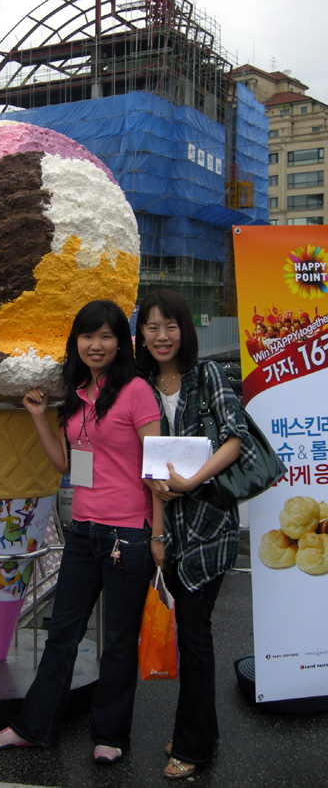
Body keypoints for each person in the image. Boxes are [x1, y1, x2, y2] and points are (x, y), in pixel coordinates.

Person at [0, 300, 164, 764]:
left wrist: (159, 534)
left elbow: (156, 467)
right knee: (61, 633)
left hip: (128, 534)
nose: (96, 345)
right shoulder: (78, 392)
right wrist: (38, 417)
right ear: (76, 342)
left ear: (121, 343)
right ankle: (33, 727)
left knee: (118, 641)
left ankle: (111, 735)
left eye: (106, 336)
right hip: (83, 530)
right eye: (87, 336)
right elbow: (67, 465)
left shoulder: (137, 392)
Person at [135, 289, 253, 780]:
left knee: (195, 634)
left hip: (210, 526)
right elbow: (143, 464)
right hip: (170, 528)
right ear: (141, 334)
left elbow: (236, 438)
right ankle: (200, 729)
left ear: (185, 330)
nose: (162, 336)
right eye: (152, 327)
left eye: (171, 326)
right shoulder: (140, 385)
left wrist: (193, 480)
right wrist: (158, 534)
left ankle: (194, 746)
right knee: (190, 633)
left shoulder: (208, 376)